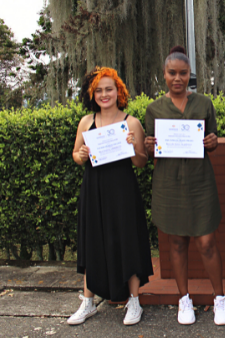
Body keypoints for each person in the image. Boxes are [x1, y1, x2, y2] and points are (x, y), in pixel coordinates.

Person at [143, 46, 225, 326]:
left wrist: (213, 143)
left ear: (190, 75)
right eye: (172, 73)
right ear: (164, 74)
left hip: (199, 182)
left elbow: (212, 141)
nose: (177, 78)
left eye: (183, 73)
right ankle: (184, 300)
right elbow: (150, 153)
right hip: (169, 184)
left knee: (206, 242)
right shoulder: (154, 109)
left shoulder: (204, 104)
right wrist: (150, 146)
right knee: (177, 242)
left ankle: (220, 298)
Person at [69, 67, 154, 326]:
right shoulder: (86, 121)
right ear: (91, 94)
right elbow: (76, 155)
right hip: (94, 189)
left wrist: (131, 149)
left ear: (119, 92)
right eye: (99, 90)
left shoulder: (131, 122)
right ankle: (88, 302)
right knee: (91, 240)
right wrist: (81, 155)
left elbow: (142, 162)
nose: (104, 94)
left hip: (122, 190)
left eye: (109, 89)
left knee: (127, 240)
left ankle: (134, 301)